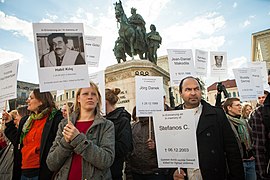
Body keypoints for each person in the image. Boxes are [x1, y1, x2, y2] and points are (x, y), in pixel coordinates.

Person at [173, 76, 244, 180]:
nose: (193, 93)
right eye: (188, 89)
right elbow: (168, 152)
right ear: (180, 93)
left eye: (196, 89)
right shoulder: (171, 116)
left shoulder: (217, 114)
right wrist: (173, 172)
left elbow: (232, 150)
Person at [46, 82, 115, 180]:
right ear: (78, 98)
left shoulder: (106, 125)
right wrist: (65, 142)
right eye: (85, 94)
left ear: (98, 99)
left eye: (93, 94)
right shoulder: (64, 124)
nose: (90, 97)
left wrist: (77, 139)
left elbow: (106, 160)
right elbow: (51, 163)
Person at [2, 89, 63, 180]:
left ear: (41, 101)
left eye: (31, 98)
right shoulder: (26, 121)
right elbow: (18, 142)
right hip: (23, 171)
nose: (27, 101)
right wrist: (9, 123)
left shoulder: (55, 119)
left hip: (42, 171)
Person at [126, 107, 169, 180]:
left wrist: (156, 147)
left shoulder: (159, 126)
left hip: (155, 172)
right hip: (136, 172)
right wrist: (128, 173)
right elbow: (128, 151)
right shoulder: (133, 127)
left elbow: (169, 149)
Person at [223, 98, 256, 180]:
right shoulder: (225, 123)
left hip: (250, 160)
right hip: (237, 163)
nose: (240, 107)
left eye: (240, 105)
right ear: (229, 108)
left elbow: (252, 137)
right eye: (237, 105)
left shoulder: (243, 121)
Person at [105, 88, 133, 180]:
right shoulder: (102, 119)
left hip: (114, 171)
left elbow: (124, 147)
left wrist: (103, 146)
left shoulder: (122, 120)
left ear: (105, 102)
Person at [0, 105, 29, 180]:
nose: (15, 118)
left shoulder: (26, 135)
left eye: (18, 115)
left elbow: (15, 139)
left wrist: (9, 124)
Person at [249, 90, 270, 179]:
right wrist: (262, 173)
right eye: (259, 98)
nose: (261, 100)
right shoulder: (259, 112)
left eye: (263, 97)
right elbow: (259, 144)